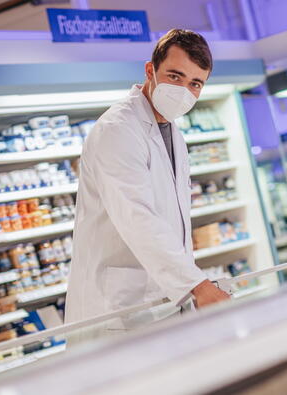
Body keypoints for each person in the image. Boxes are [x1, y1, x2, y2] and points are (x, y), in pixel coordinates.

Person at [65, 29, 230, 338]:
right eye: (175, 76)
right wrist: (197, 285)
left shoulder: (173, 133)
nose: (184, 90)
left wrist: (191, 285)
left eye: (196, 83)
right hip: (119, 310)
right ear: (150, 70)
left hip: (162, 302)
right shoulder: (118, 129)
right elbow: (137, 216)